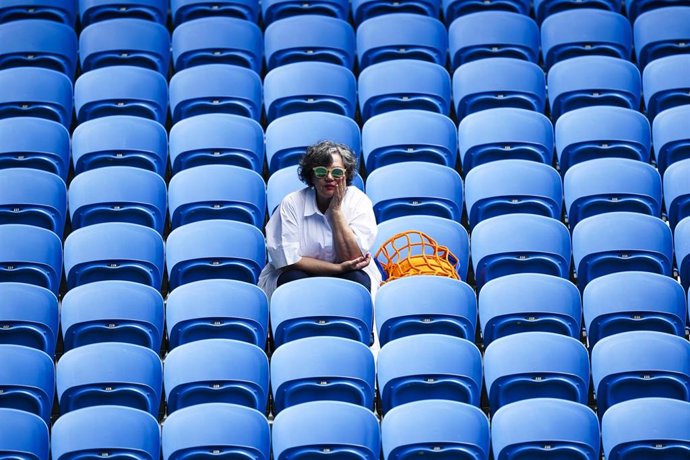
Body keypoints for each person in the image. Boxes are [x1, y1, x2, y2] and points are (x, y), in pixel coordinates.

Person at [258, 140, 381, 298]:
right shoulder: (292, 203)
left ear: (346, 174)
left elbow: (352, 258)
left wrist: (336, 210)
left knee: (357, 281)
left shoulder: (358, 201)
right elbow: (289, 260)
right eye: (322, 172)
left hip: (349, 273)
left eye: (336, 172)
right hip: (300, 273)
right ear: (311, 175)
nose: (329, 177)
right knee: (293, 278)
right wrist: (338, 269)